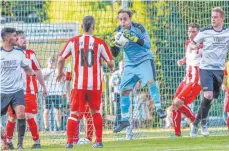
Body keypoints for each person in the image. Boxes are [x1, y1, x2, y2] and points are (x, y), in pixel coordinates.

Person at [56, 16, 114, 148]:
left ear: (81, 26)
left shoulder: (73, 41)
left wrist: (60, 72)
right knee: (95, 112)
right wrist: (111, 69)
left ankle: (69, 142)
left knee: (74, 114)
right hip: (94, 85)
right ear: (94, 26)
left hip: (78, 85)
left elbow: (60, 59)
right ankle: (98, 141)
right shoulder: (100, 42)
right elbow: (110, 62)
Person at [110, 9, 166, 133]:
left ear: (130, 19)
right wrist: (112, 44)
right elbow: (115, 54)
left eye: (125, 19)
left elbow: (148, 45)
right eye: (120, 19)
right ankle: (125, 120)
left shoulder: (139, 27)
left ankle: (159, 108)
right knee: (123, 90)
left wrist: (134, 38)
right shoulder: (117, 32)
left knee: (151, 81)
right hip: (130, 64)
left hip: (144, 59)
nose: (122, 22)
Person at [189, 7, 229, 137]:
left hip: (219, 70)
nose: (213, 19)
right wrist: (195, 46)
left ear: (222, 19)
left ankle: (197, 122)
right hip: (206, 68)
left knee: (210, 100)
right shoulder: (205, 31)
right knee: (208, 95)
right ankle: (202, 124)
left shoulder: (227, 32)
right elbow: (192, 44)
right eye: (212, 16)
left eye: (216, 17)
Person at [4, 30, 47, 149]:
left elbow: (38, 71)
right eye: (21, 38)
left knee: (28, 115)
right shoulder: (8, 55)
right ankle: (8, 142)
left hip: (29, 91)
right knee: (12, 117)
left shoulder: (30, 54)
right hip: (12, 91)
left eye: (24, 38)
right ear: (15, 41)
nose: (24, 40)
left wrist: (43, 86)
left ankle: (36, 141)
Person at [0, 27, 34, 149]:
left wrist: (33, 73)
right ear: (7, 38)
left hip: (17, 91)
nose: (16, 38)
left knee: (20, 113)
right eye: (14, 36)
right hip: (2, 91)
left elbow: (26, 68)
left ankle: (20, 144)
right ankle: (6, 140)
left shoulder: (19, 53)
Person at [172, 23, 202, 136]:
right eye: (189, 31)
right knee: (175, 104)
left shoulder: (203, 44)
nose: (191, 34)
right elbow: (189, 55)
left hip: (196, 79)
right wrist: (183, 60)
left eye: (194, 32)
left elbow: (198, 49)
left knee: (177, 102)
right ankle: (177, 134)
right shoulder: (188, 43)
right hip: (186, 78)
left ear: (198, 33)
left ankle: (195, 123)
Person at [42, 56, 65, 131]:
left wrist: (62, 74)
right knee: (46, 111)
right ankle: (46, 128)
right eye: (50, 61)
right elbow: (42, 79)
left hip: (56, 92)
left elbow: (63, 79)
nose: (51, 63)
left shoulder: (58, 70)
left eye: (52, 61)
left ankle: (59, 128)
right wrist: (50, 72)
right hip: (48, 93)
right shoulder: (44, 70)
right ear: (47, 62)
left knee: (57, 111)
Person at [109, 60, 124, 129]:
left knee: (125, 109)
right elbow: (111, 84)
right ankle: (116, 124)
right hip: (117, 93)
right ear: (119, 66)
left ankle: (122, 124)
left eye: (124, 66)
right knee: (118, 109)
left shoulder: (127, 73)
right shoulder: (116, 74)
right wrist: (116, 83)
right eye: (122, 65)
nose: (123, 67)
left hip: (125, 94)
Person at [222, 61, 229, 134]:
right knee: (226, 111)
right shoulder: (227, 64)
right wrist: (223, 84)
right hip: (228, 91)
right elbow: (225, 76)